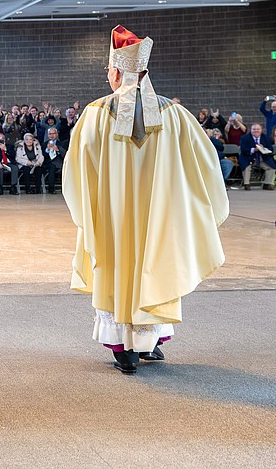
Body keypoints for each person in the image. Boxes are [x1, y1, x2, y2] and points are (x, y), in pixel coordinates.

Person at [63, 25, 227, 374]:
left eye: (109, 70)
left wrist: (88, 207)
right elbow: (205, 163)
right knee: (154, 260)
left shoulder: (94, 114)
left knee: (117, 265)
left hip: (112, 216)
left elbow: (78, 168)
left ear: (117, 71)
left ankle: (126, 347)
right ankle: (147, 340)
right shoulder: (175, 115)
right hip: (158, 214)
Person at [239, 122, 276, 190]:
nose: (256, 131)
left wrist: (263, 149)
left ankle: (268, 184)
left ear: (261, 130)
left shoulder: (266, 137)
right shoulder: (245, 138)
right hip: (248, 158)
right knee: (246, 167)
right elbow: (244, 149)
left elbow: (271, 149)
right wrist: (254, 149)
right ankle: (246, 184)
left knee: (271, 167)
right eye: (254, 129)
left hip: (262, 158)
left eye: (258, 129)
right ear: (251, 130)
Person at [42, 127, 67, 194]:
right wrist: (47, 150)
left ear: (57, 134)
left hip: (59, 162)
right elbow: (42, 156)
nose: (52, 135)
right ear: (48, 135)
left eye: (53, 133)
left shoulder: (62, 144)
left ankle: (64, 189)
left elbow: (64, 156)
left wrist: (58, 150)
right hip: (47, 163)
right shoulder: (44, 144)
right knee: (52, 167)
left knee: (64, 167)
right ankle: (51, 188)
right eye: (50, 134)